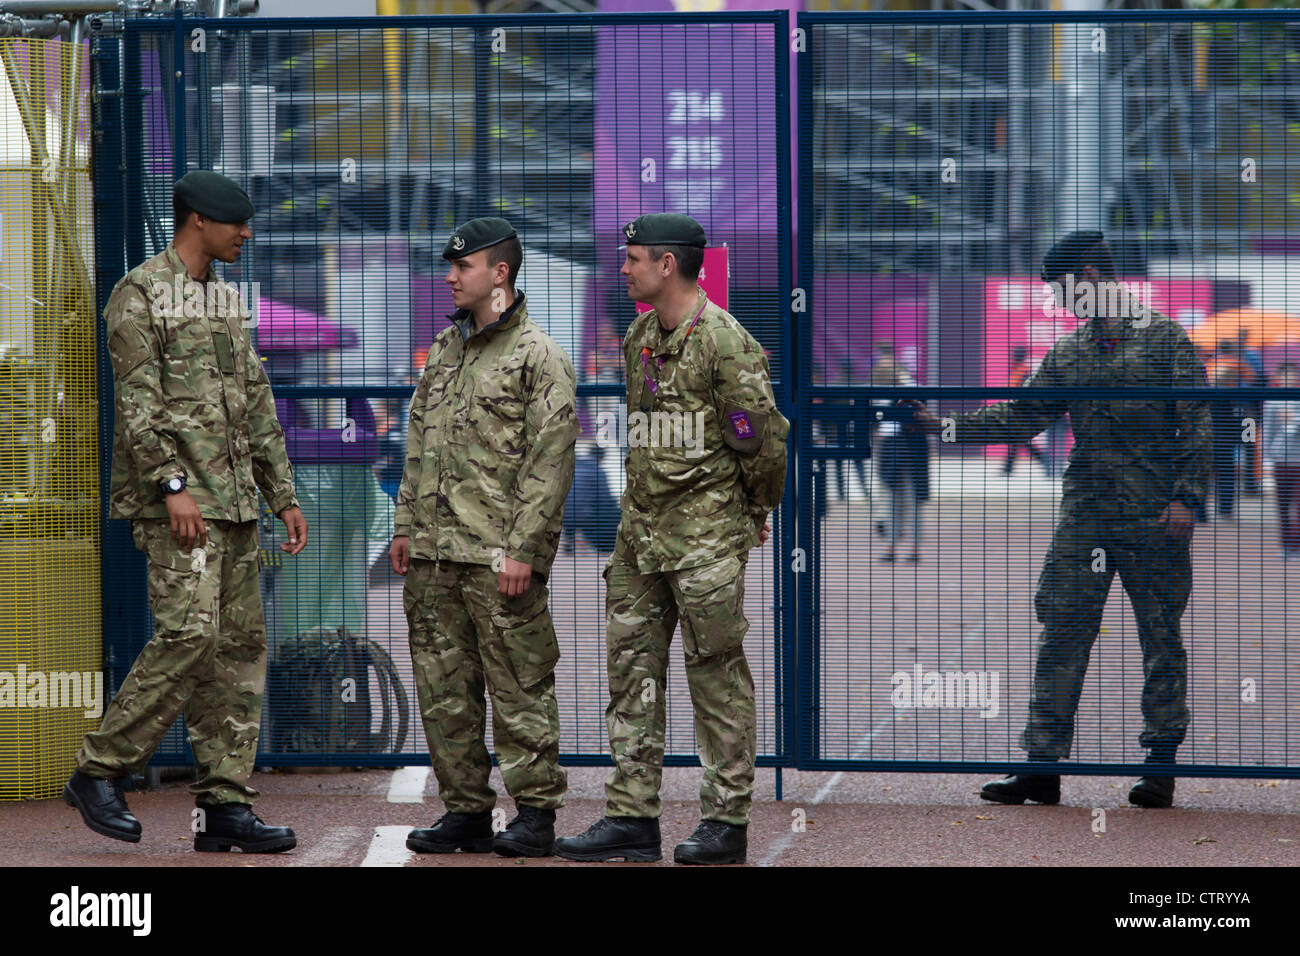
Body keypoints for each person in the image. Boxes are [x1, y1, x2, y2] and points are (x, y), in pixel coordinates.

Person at [903, 229, 1211, 809]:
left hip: (1154, 514)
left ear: (1091, 276)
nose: (1061, 302)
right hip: (1086, 515)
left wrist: (1189, 499)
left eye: (1065, 290)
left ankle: (1160, 765)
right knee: (1061, 633)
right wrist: (943, 426)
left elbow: (1198, 418)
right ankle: (1042, 767)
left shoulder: (1167, 339)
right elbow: (1022, 417)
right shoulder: (1068, 353)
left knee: (1161, 639)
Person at [65, 170, 308, 852]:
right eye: (236, 223)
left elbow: (257, 404)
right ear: (198, 220)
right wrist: (173, 485)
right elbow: (138, 404)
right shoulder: (139, 295)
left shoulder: (228, 302)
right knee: (189, 636)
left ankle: (224, 808)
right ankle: (100, 767)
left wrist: (282, 495)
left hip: (233, 506)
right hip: (180, 505)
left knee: (237, 652)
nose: (246, 234)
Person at [555, 214, 789, 865]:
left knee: (716, 677)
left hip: (705, 542)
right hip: (641, 540)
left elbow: (763, 443)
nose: (622, 269)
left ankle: (725, 822)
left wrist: (754, 509)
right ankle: (632, 816)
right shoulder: (638, 337)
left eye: (632, 259)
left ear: (667, 265)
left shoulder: (725, 344)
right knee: (631, 673)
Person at [390, 217, 578, 858]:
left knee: (520, 686)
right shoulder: (443, 350)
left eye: (462, 266)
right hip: (436, 558)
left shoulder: (540, 358)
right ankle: (466, 810)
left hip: (500, 558)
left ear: (499, 274)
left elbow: (550, 465)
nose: (449, 276)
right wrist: (406, 525)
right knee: (445, 692)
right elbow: (419, 443)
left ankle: (535, 815)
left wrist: (525, 549)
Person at [872, 343, 928, 562]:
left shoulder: (895, 386)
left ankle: (898, 546)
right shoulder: (905, 385)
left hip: (899, 444)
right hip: (906, 445)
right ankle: (899, 546)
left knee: (899, 495)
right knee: (901, 495)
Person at [1264, 362, 1300, 557]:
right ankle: (1286, 544)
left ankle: (1297, 543)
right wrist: (1267, 459)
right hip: (1281, 460)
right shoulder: (1273, 401)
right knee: (1283, 504)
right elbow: (1267, 431)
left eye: (1292, 374)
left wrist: (1292, 419)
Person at [1002, 346, 1050, 477]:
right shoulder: (1018, 370)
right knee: (1020, 440)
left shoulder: (1024, 372)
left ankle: (1008, 468)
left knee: (1018, 439)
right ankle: (1044, 461)